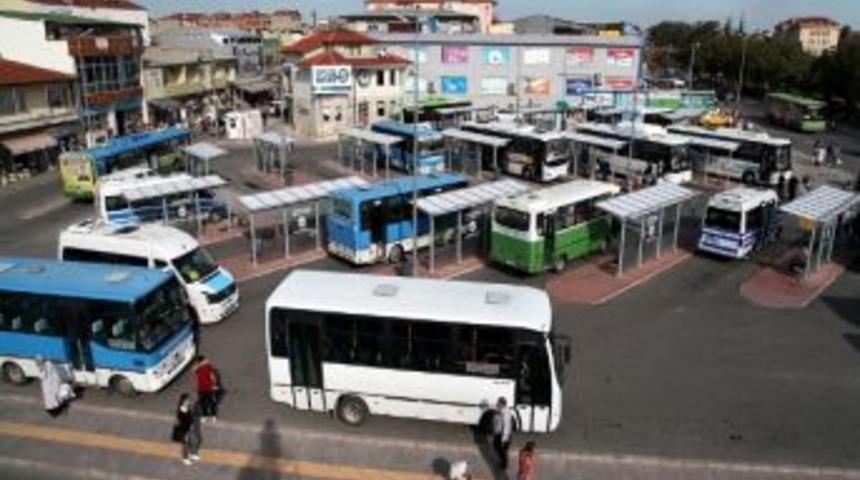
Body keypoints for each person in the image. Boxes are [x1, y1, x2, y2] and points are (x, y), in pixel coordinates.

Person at [174, 393, 202, 465]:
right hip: (184, 429)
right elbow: (181, 422)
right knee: (186, 444)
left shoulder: (188, 407)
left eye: (189, 400)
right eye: (187, 400)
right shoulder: (181, 410)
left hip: (190, 428)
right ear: (183, 401)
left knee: (193, 441)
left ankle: (193, 454)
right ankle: (185, 458)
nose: (189, 401)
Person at [492, 397, 515, 471]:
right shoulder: (500, 410)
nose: (497, 404)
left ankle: (504, 464)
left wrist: (503, 439)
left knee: (501, 450)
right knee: (497, 447)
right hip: (499, 434)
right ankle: (503, 460)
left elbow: (506, 427)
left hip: (503, 435)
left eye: (498, 403)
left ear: (502, 404)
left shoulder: (505, 413)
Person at [194, 356, 219, 422]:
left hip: (207, 388)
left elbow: (212, 376)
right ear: (202, 361)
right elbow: (193, 370)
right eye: (205, 359)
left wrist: (214, 385)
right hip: (202, 389)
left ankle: (213, 415)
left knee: (211, 402)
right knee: (203, 403)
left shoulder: (208, 366)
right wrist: (200, 364)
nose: (207, 360)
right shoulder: (199, 367)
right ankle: (205, 415)